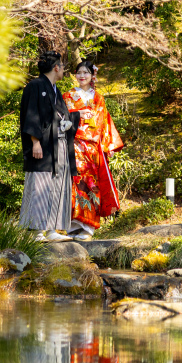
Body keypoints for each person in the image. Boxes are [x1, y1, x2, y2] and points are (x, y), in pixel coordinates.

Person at [19, 51, 81, 242]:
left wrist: (72, 120)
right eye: (62, 66)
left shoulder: (54, 90)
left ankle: (52, 229)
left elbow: (61, 115)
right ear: (56, 68)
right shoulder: (35, 86)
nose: (63, 70)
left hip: (59, 144)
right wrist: (35, 142)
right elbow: (30, 115)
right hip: (42, 145)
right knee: (40, 184)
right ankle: (36, 231)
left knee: (58, 184)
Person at [63, 61, 123, 241]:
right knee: (73, 182)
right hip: (73, 144)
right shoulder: (68, 96)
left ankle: (88, 227)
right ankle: (73, 225)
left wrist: (108, 145)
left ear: (92, 76)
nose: (82, 76)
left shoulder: (98, 98)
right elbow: (62, 118)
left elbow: (104, 122)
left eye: (86, 73)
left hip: (92, 147)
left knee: (91, 183)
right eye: (79, 73)